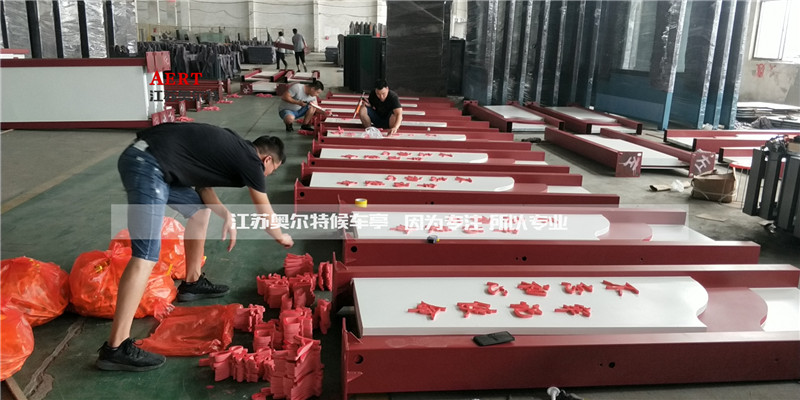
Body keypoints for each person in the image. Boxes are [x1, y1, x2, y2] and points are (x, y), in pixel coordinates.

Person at [97, 123, 293, 372]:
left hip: (152, 159)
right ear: (267, 160)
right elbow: (264, 211)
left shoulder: (235, 149)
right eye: (272, 171)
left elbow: (203, 188)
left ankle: (192, 281)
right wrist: (281, 235)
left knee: (199, 212)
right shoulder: (251, 162)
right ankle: (115, 348)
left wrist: (225, 214)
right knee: (145, 255)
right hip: (147, 165)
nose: (266, 176)